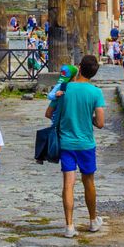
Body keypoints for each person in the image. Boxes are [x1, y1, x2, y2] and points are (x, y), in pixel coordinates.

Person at [46, 55, 105, 237]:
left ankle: (69, 226)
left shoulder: (64, 89)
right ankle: (93, 220)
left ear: (79, 67)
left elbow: (49, 113)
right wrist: (90, 119)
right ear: (93, 73)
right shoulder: (96, 93)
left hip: (66, 143)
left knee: (68, 184)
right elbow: (101, 123)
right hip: (86, 143)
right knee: (88, 181)